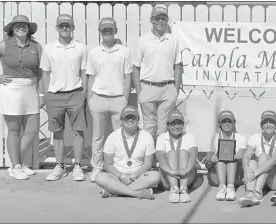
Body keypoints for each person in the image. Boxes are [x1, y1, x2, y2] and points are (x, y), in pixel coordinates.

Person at [0, 15, 43, 180]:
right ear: (12, 29)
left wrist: (40, 92)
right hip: (11, 88)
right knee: (14, 130)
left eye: (24, 25)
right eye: (17, 26)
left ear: (29, 29)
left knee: (32, 129)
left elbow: (39, 71)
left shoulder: (36, 46)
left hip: (30, 87)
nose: (21, 28)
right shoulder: (3, 45)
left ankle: (17, 163)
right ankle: (16, 165)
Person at [39, 14, 88, 181]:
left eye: (68, 25)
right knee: (57, 132)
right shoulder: (49, 48)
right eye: (62, 26)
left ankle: (78, 166)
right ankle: (59, 165)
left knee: (78, 132)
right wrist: (45, 95)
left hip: (75, 93)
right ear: (57, 28)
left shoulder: (81, 48)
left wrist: (84, 94)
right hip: (54, 95)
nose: (65, 28)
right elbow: (45, 73)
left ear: (73, 27)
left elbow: (84, 73)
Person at [86, 17, 133, 182]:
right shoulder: (93, 52)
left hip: (118, 99)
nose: (107, 32)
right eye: (104, 29)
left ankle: (117, 168)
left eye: (110, 29)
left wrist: (125, 98)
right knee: (97, 137)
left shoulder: (124, 51)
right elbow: (90, 76)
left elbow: (128, 77)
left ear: (115, 31)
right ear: (99, 32)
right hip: (98, 98)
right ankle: (97, 167)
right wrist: (90, 99)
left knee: (119, 137)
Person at [132, 6, 183, 143]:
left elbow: (178, 66)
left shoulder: (173, 40)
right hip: (147, 86)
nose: (161, 21)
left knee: (163, 128)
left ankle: (161, 161)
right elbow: (135, 68)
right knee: (148, 127)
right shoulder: (142, 40)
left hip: (168, 88)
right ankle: (149, 161)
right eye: (157, 18)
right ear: (151, 20)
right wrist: (139, 92)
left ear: (167, 20)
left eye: (163, 18)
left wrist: (175, 90)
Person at [94, 106, 158, 200]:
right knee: (100, 177)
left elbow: (147, 164)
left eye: (133, 117)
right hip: (117, 177)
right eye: (127, 117)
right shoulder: (112, 137)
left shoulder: (147, 137)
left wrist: (135, 175)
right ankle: (136, 194)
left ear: (138, 119)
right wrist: (121, 176)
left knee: (155, 176)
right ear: (121, 120)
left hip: (138, 177)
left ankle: (114, 191)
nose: (130, 120)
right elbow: (108, 165)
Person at [238, 110, 276, 207]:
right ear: (261, 125)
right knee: (251, 162)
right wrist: (246, 169)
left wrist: (255, 172)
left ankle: (258, 193)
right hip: (260, 176)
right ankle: (250, 193)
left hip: (274, 181)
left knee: (264, 156)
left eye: (271, 122)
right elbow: (246, 156)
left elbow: (274, 161)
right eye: (265, 122)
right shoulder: (255, 137)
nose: (268, 125)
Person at [155, 109, 199, 203]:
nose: (176, 126)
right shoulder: (162, 137)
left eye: (179, 123)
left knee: (183, 152)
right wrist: (171, 171)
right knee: (171, 153)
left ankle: (183, 189)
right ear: (167, 126)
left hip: (187, 177)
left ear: (183, 125)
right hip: (168, 177)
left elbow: (193, 155)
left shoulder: (189, 136)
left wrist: (187, 169)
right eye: (173, 124)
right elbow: (161, 158)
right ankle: (174, 189)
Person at [206, 110, 246, 201]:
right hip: (216, 176)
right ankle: (222, 187)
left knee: (232, 160)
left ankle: (230, 188)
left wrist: (240, 156)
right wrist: (211, 159)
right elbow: (207, 163)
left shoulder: (240, 138)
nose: (227, 124)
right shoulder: (214, 138)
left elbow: (243, 158)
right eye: (224, 121)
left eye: (230, 121)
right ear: (219, 124)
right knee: (220, 160)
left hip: (235, 176)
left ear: (234, 123)